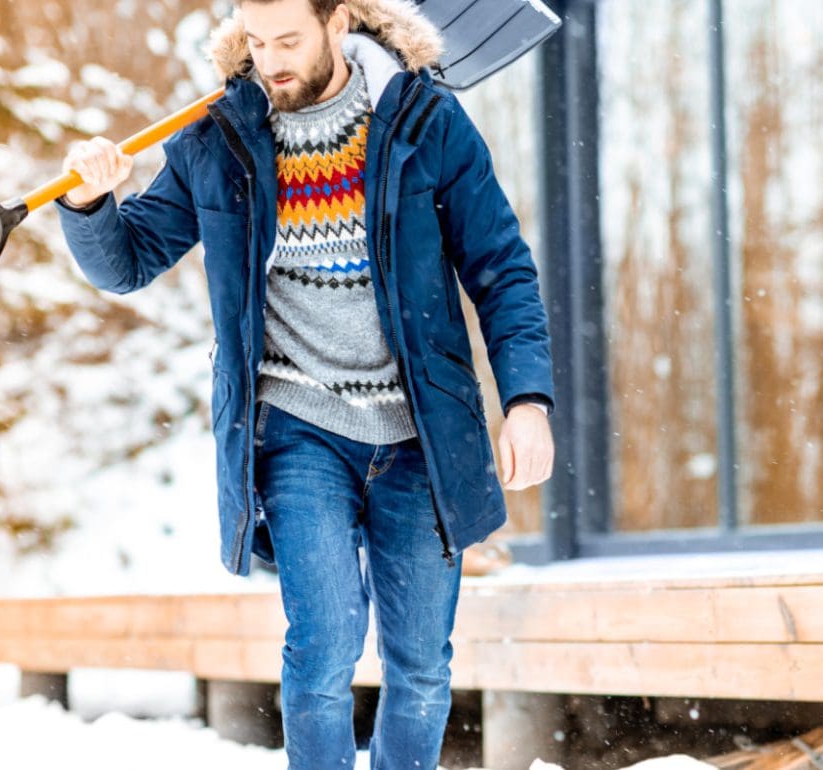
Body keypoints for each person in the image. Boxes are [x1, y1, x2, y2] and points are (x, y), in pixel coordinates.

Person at [55, 0, 555, 766]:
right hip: (298, 428)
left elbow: (500, 269)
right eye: (255, 42)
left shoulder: (424, 125)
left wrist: (526, 401)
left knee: (420, 666)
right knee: (322, 651)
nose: (270, 60)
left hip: (422, 430)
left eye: (288, 40)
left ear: (340, 21)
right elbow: (127, 262)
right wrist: (89, 202)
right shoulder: (220, 140)